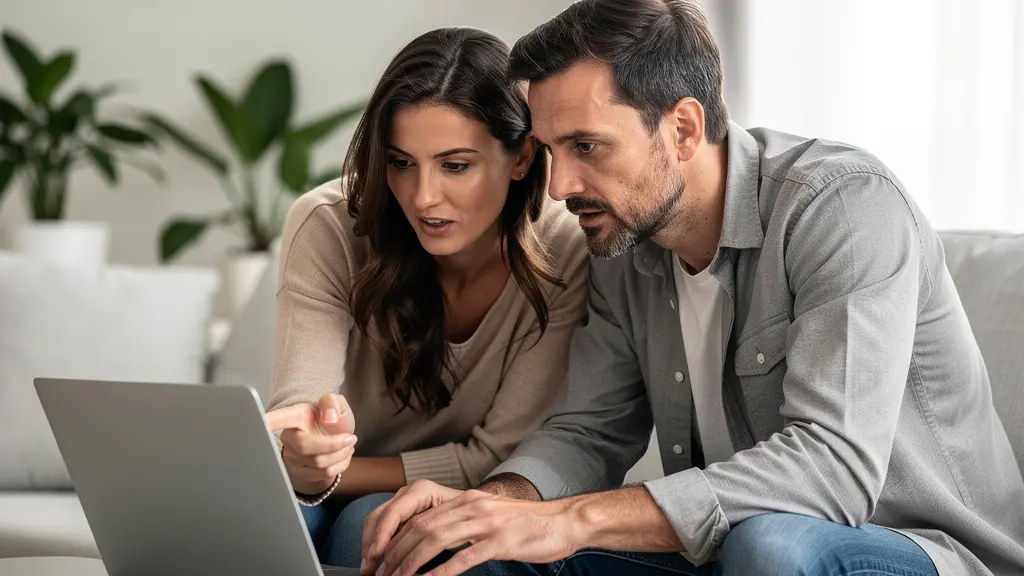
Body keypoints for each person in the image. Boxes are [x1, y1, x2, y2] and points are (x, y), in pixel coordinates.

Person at [358, 1, 1024, 575]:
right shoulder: (620, 244)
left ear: (682, 128)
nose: (559, 189)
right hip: (726, 545)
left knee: (772, 546)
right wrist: (497, 506)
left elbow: (833, 469)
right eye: (552, 152)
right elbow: (590, 432)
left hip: (922, 549)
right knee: (473, 550)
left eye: (587, 147)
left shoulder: (842, 207)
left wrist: (574, 520)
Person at [262, 26, 589, 569]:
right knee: (250, 527)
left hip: (454, 490)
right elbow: (298, 413)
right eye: (401, 162)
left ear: (523, 157)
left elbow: (496, 456)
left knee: (378, 526)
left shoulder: (564, 248)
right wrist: (307, 458)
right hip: (319, 485)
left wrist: (339, 474)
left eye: (455, 165)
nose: (422, 197)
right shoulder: (326, 224)